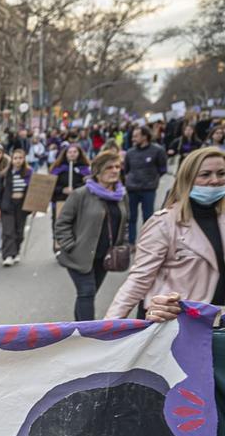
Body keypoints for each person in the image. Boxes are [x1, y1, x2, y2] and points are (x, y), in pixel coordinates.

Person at [107, 148, 225, 318]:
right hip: (175, 321)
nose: (215, 180)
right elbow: (139, 278)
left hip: (219, 320)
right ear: (187, 179)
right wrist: (109, 326)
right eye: (205, 175)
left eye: (221, 173)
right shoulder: (163, 223)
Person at [54, 151, 129, 321]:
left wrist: (122, 243)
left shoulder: (122, 195)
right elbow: (62, 223)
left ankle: (78, 328)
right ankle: (88, 335)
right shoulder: (81, 194)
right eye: (109, 167)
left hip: (104, 257)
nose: (115, 171)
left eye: (117, 167)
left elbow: (126, 222)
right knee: (86, 292)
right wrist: (71, 246)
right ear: (97, 171)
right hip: (79, 256)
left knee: (88, 294)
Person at [122, 125, 168, 245]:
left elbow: (163, 168)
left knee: (148, 218)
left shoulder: (157, 150)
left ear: (145, 136)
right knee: (131, 217)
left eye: (136, 136)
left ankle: (146, 243)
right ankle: (131, 242)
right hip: (132, 189)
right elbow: (126, 170)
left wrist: (152, 179)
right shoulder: (130, 152)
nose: (133, 139)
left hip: (148, 189)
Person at [0, 149, 32, 267]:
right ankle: (8, 255)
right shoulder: (4, 174)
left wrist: (34, 206)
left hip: (22, 206)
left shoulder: (28, 173)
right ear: (11, 160)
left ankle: (16, 252)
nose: (18, 161)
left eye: (20, 158)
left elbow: (34, 192)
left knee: (19, 232)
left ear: (24, 159)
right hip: (7, 205)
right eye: (15, 158)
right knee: (8, 231)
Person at [50, 142, 91, 222]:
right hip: (61, 201)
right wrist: (62, 189)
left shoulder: (85, 169)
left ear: (79, 153)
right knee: (59, 227)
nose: (72, 154)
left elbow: (89, 185)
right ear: (65, 154)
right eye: (70, 152)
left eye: (75, 152)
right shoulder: (58, 169)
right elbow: (51, 186)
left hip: (79, 203)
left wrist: (75, 189)